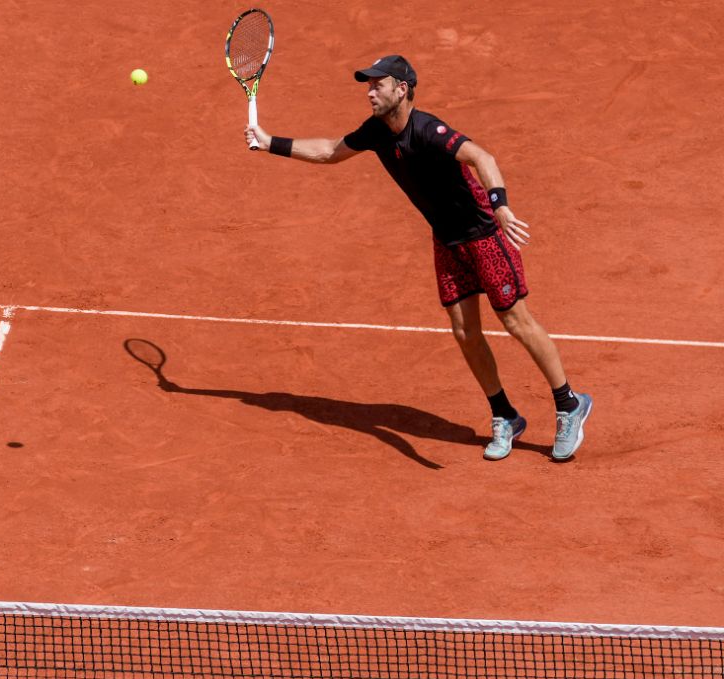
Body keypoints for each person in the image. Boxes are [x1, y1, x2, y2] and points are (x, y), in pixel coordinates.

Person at [245, 55, 592, 461]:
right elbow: (329, 151)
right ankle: (504, 415)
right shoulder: (376, 131)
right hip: (446, 240)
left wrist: (500, 206)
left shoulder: (428, 130)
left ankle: (569, 403)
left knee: (516, 320)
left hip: (483, 235)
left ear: (402, 89)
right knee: (464, 331)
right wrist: (271, 143)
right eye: (368, 85)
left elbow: (483, 158)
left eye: (378, 85)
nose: (370, 91)